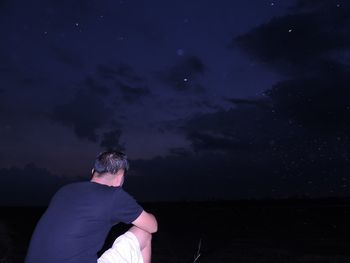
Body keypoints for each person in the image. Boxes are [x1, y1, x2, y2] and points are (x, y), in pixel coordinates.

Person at [25, 150, 157, 263]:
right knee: (143, 232)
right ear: (120, 178)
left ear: (93, 171)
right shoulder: (114, 196)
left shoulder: (64, 190)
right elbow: (152, 227)